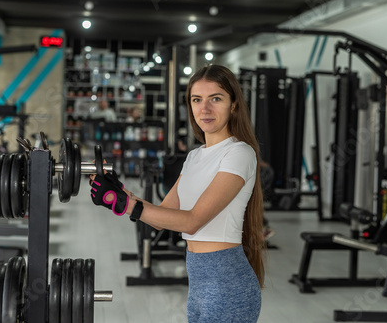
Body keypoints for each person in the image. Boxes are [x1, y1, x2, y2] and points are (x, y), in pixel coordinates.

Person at [89, 64, 265, 322]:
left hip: (227, 285)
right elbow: (166, 214)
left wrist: (126, 205)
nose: (204, 109)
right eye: (197, 100)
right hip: (198, 282)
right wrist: (121, 192)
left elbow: (192, 221)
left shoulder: (239, 153)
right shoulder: (194, 156)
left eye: (215, 99)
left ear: (234, 105)